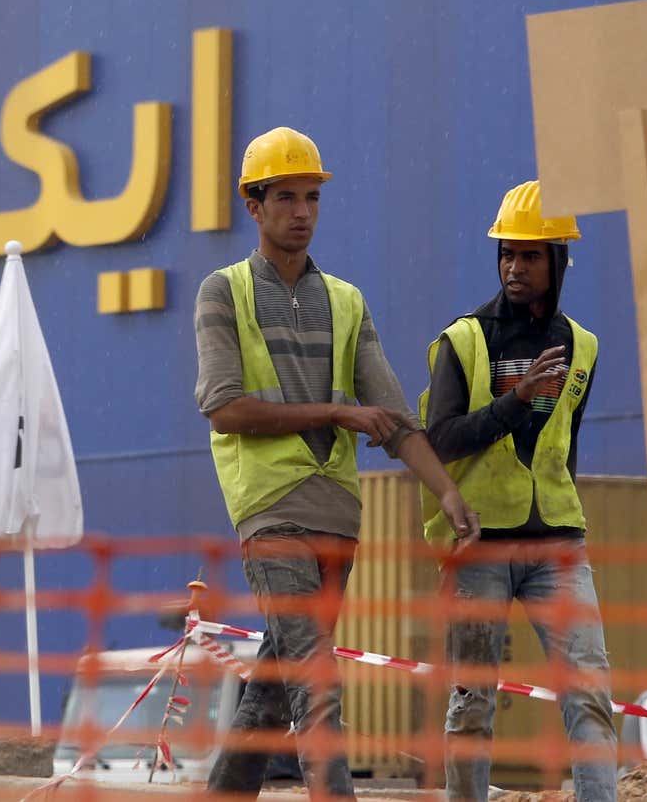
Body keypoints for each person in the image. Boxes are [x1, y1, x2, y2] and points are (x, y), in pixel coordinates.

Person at [195, 126, 479, 800]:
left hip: (337, 519)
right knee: (316, 684)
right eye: (286, 197)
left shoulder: (346, 302)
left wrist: (445, 491)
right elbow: (225, 407)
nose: (301, 211)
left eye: (312, 197)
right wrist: (336, 412)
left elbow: (393, 416)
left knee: (275, 687)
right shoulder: (223, 292)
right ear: (253, 207)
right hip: (268, 509)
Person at [419, 179, 616, 801]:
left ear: (558, 260)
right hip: (482, 545)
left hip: (558, 545)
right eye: (507, 252)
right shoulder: (463, 340)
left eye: (530, 255)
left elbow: (563, 444)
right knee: (472, 701)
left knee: (590, 691)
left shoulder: (582, 345)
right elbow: (440, 439)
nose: (514, 266)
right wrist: (514, 402)